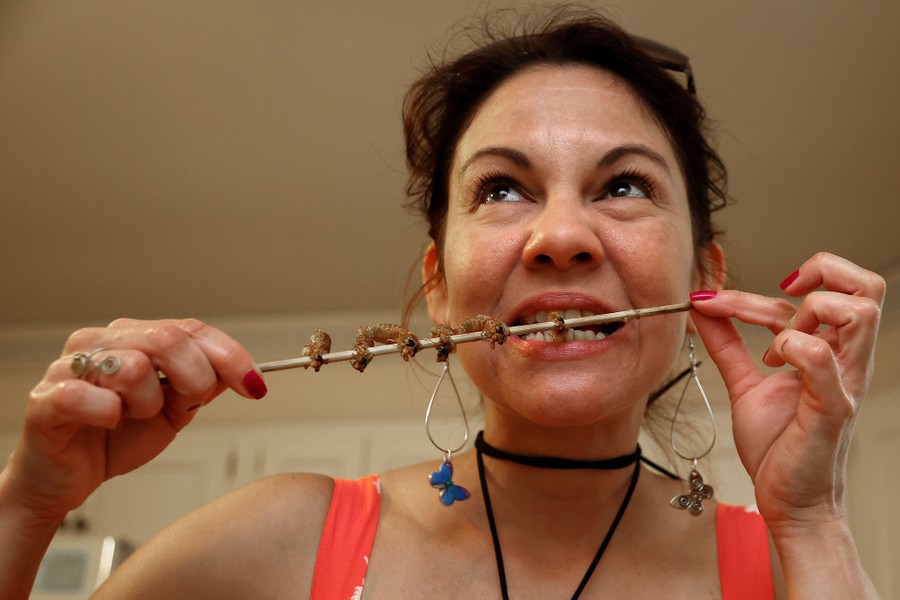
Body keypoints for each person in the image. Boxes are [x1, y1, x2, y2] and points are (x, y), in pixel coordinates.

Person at [0, 7, 884, 599]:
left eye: (622, 185)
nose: (560, 236)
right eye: (502, 189)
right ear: (438, 281)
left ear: (705, 282)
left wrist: (811, 522)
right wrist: (27, 507)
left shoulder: (788, 569)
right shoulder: (276, 542)